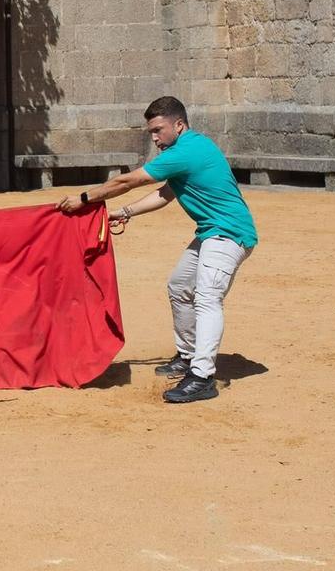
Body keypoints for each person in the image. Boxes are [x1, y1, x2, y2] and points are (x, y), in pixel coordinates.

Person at [55, 96, 258, 404]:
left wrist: (85, 198)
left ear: (179, 125)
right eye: (151, 131)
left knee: (207, 297)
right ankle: (188, 355)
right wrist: (123, 213)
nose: (154, 137)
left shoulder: (187, 150)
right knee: (179, 285)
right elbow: (165, 194)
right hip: (211, 234)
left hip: (229, 234)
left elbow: (128, 180)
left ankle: (202, 376)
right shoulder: (187, 151)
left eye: (158, 130)